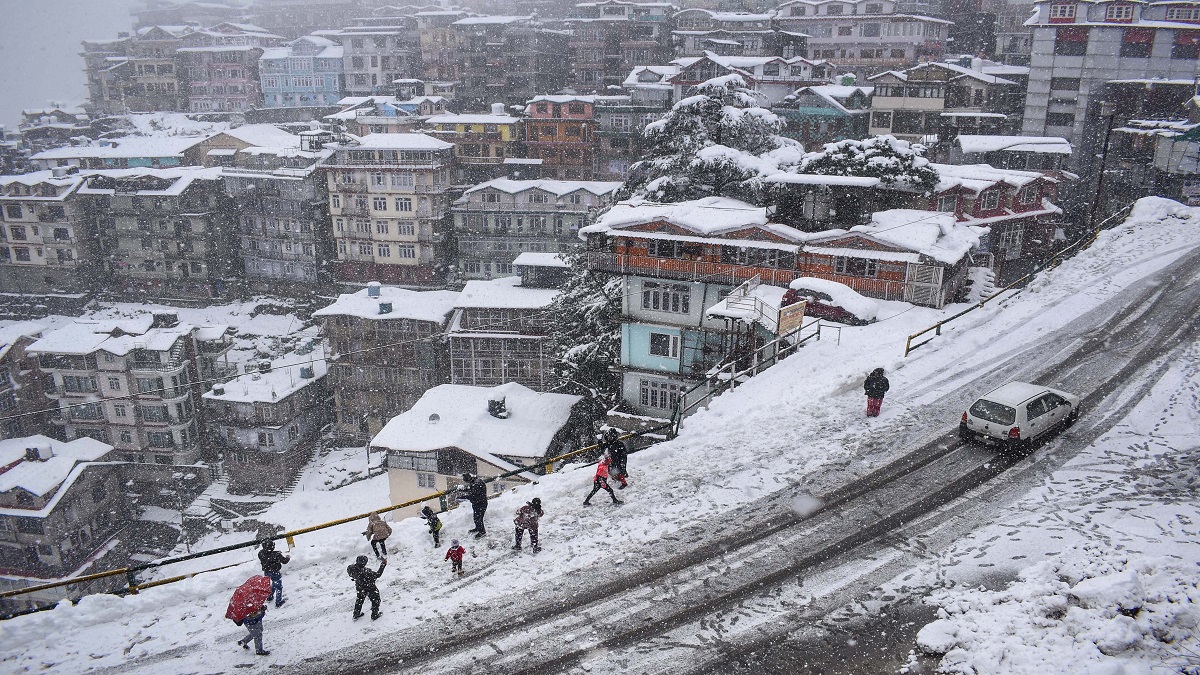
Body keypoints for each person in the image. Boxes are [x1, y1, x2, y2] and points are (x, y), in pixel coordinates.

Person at [347, 554, 387, 620]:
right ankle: (374, 615)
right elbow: (377, 575)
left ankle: (356, 614)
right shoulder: (367, 572)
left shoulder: (351, 568)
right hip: (370, 587)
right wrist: (383, 564)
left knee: (360, 599)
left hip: (359, 586)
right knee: (376, 600)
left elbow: (351, 574)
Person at [257, 539, 290, 608]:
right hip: (275, 572)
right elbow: (284, 561)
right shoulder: (276, 554)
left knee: (273, 584)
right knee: (279, 587)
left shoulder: (260, 553)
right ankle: (278, 602)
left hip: (266, 572)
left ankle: (270, 596)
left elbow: (266, 556)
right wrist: (287, 557)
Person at [456, 473, 489, 538]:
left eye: (466, 481)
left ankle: (482, 532)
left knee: (478, 518)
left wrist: (462, 497)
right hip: (477, 503)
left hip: (481, 503)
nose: (467, 483)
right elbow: (471, 490)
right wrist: (463, 490)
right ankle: (478, 528)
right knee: (476, 518)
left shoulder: (477, 484)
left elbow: (472, 495)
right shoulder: (474, 481)